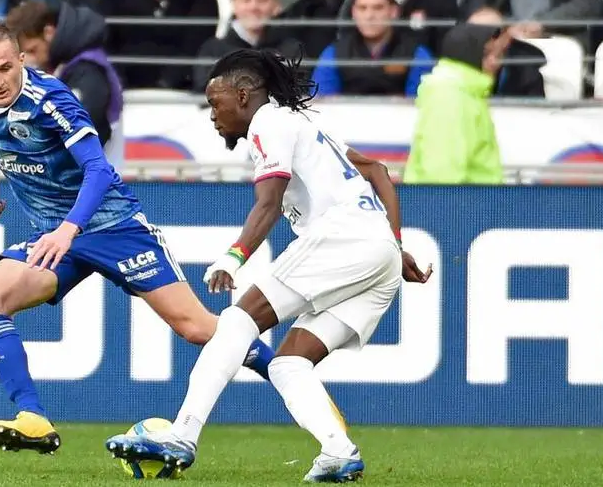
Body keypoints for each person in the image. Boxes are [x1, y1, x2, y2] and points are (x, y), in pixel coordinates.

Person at [105, 48, 432, 482]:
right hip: (376, 251)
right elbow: (377, 171)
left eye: (215, 102)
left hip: (342, 239)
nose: (212, 114)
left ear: (243, 96)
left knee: (236, 322)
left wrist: (234, 255)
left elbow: (270, 201)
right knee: (287, 363)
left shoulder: (268, 123)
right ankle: (338, 451)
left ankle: (182, 435)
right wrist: (392, 245)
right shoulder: (305, 124)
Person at [0, 22, 278, 454]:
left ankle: (291, 376)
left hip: (112, 226)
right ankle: (33, 418)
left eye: (4, 69)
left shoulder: (51, 100)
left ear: (22, 60)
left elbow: (99, 170)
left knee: (197, 328)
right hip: (54, 235)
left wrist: (69, 228)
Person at [5, 0, 126, 171]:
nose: (32, 60)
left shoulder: (87, 71)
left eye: (33, 50)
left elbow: (81, 132)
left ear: (48, 32)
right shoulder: (66, 67)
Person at [402, 24, 510, 184]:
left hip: (473, 197)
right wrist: (452, 200)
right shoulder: (450, 95)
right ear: (468, 53)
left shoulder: (466, 91)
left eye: (499, 55)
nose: (495, 63)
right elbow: (443, 170)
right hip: (459, 198)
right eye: (487, 54)